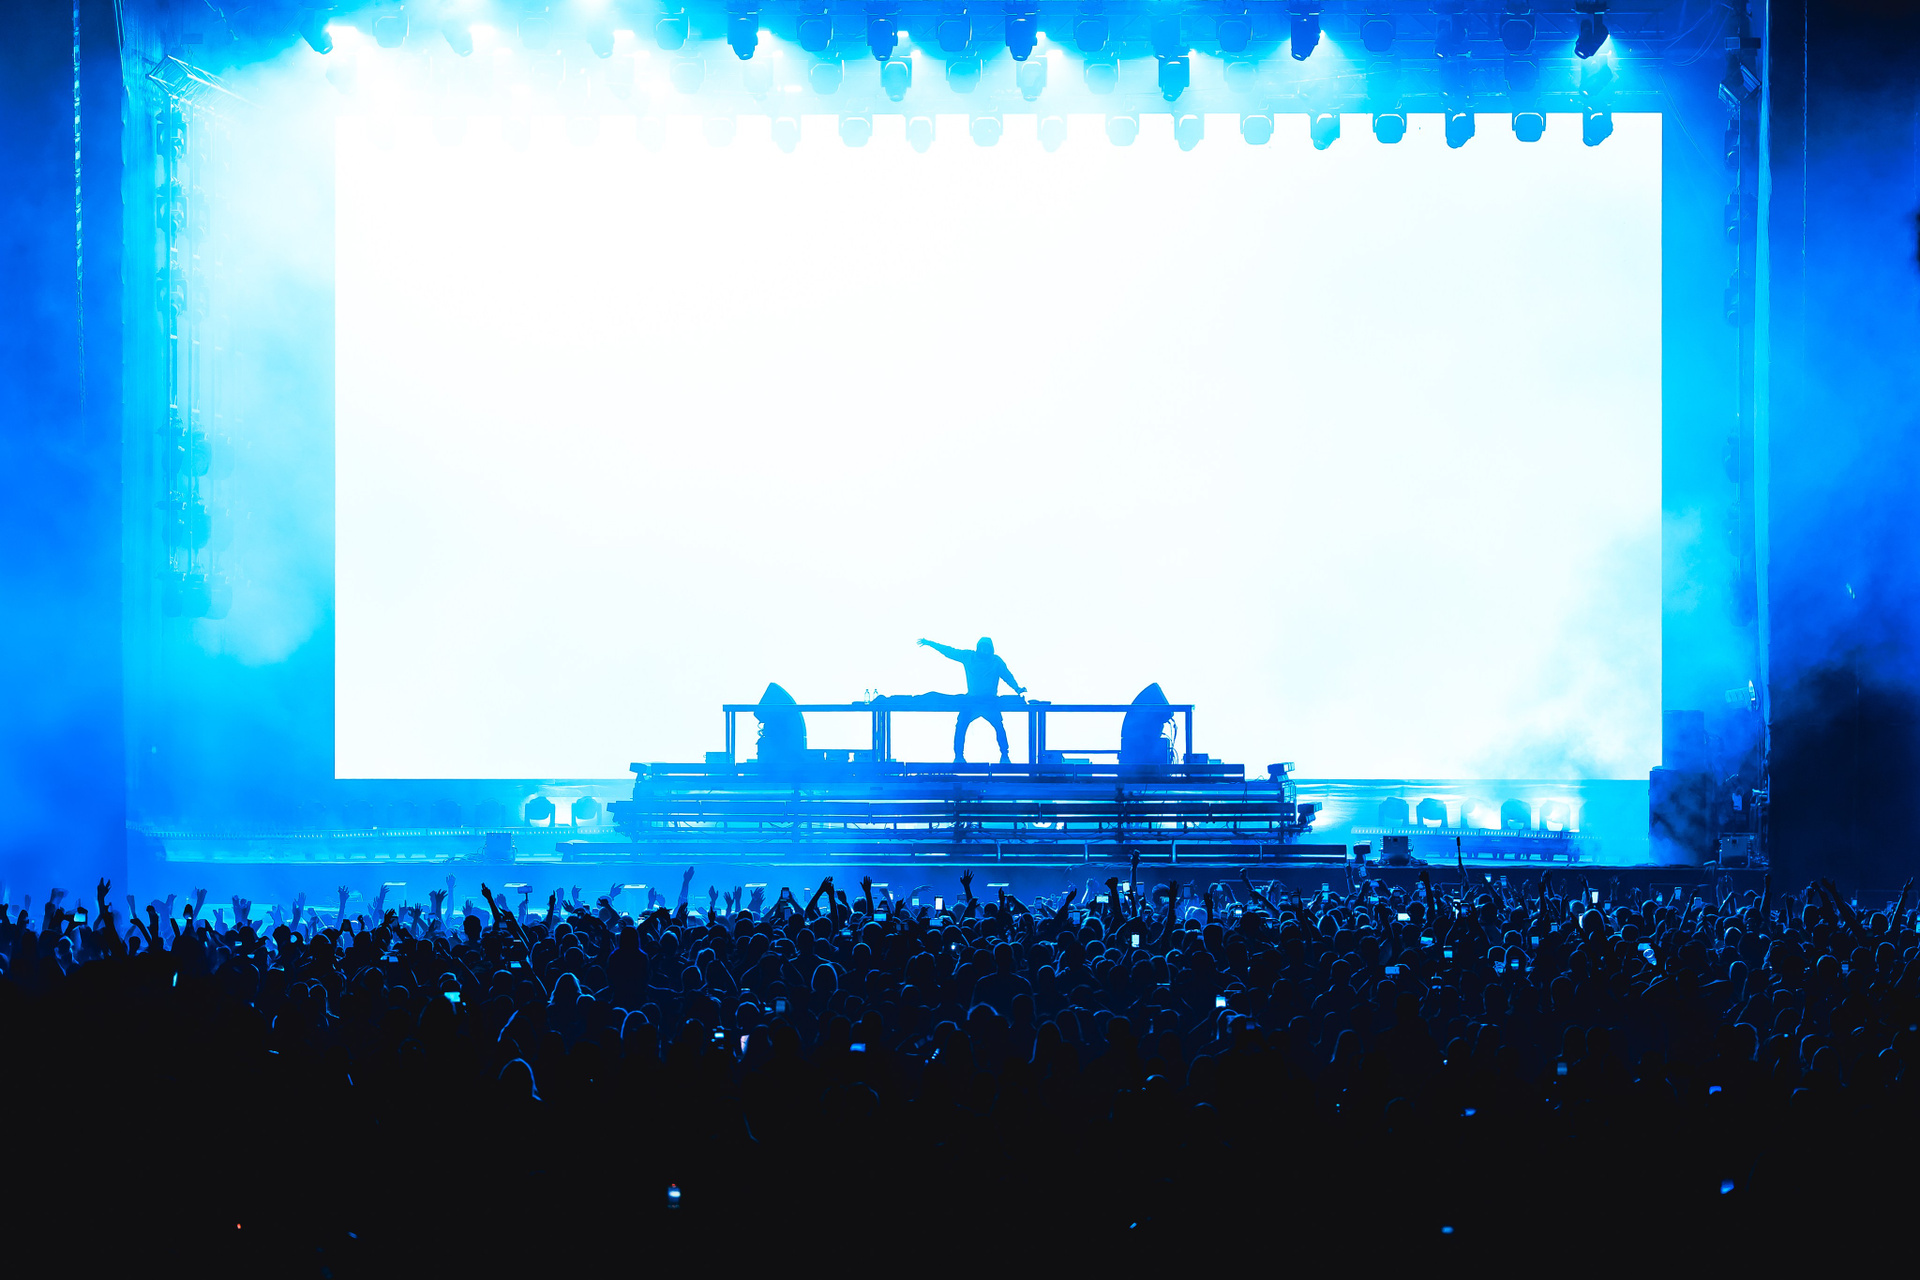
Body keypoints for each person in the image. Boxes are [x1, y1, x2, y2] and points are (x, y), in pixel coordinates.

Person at [917, 636, 1026, 764]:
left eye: (987, 648)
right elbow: (949, 651)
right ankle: (959, 757)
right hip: (971, 701)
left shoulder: (996, 661)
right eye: (982, 648)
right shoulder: (969, 656)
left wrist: (1017, 688)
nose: (984, 651)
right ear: (978, 648)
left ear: (991, 649)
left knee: (999, 726)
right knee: (961, 725)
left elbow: (1007, 676)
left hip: (989, 701)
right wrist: (930, 643)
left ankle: (1005, 756)